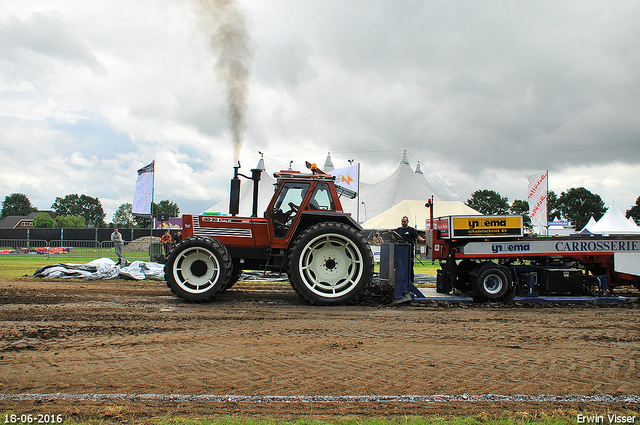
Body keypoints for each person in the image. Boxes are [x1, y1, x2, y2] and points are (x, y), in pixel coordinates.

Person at [389, 216, 426, 282]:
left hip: (408, 251)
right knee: (400, 266)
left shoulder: (411, 230)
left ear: (407, 222)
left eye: (404, 222)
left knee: (409, 266)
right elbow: (394, 238)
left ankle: (410, 281)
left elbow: (418, 237)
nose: (403, 223)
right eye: (402, 222)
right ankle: (401, 280)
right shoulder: (398, 230)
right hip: (400, 251)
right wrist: (391, 234)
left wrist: (424, 240)